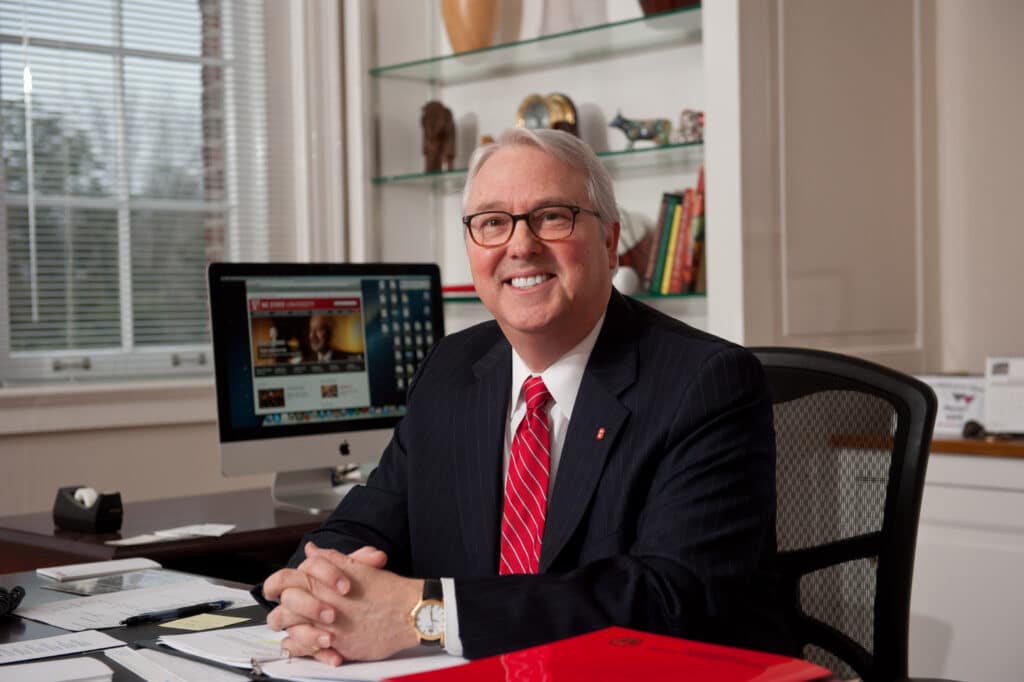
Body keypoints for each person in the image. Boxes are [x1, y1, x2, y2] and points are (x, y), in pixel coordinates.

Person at [261, 128, 791, 664]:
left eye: (552, 216)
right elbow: (363, 525)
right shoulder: (451, 369)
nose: (520, 245)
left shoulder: (707, 382)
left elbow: (669, 598)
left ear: (609, 242)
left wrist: (426, 616)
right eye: (492, 223)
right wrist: (318, 597)